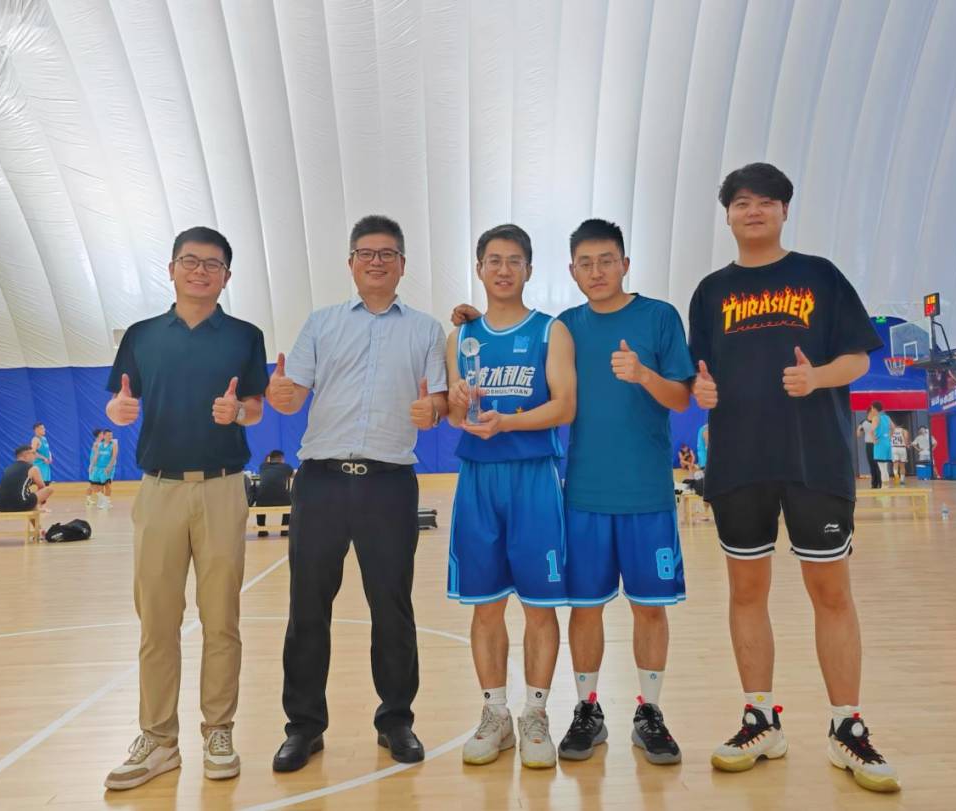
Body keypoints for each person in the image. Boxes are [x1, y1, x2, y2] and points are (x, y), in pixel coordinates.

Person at [451, 218, 693, 766]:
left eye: (606, 261)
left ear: (625, 264)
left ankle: (650, 712)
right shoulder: (565, 326)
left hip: (647, 490)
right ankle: (587, 709)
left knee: (649, 609)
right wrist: (469, 320)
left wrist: (644, 375)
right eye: (585, 263)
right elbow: (500, 334)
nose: (596, 271)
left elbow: (681, 399)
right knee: (585, 609)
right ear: (570, 271)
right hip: (581, 492)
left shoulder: (658, 316)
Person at [688, 163, 899, 792]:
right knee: (746, 590)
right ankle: (761, 721)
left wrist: (818, 378)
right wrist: (699, 389)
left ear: (784, 210)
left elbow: (858, 357)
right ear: (727, 215)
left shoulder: (820, 276)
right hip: (739, 460)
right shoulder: (710, 292)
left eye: (766, 201)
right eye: (741, 202)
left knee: (831, 592)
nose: (753, 211)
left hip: (815, 458)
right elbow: (699, 372)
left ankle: (847, 728)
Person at [267, 215, 448, 773]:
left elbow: (439, 401)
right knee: (307, 607)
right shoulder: (320, 323)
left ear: (402, 264)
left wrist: (432, 409)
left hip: (389, 482)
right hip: (320, 480)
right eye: (366, 253)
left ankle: (396, 720)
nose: (376, 262)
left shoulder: (426, 330)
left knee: (392, 606)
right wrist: (281, 394)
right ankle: (304, 727)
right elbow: (292, 395)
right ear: (350, 262)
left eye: (387, 253)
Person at [102, 226, 268, 791]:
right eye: (190, 261)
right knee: (157, 620)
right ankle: (158, 739)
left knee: (221, 618)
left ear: (227, 276)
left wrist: (237, 413)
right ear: (171, 269)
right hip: (159, 489)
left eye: (212, 264)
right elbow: (120, 397)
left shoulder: (245, 336)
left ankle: (218, 731)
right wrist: (118, 410)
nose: (201, 271)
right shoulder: (142, 335)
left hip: (223, 488)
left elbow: (255, 407)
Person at [443, 224, 575, 769]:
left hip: (534, 477)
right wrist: (458, 402)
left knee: (540, 607)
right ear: (479, 268)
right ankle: (495, 714)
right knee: (486, 605)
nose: (503, 269)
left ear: (528, 269)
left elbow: (565, 406)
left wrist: (509, 423)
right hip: (479, 479)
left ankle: (535, 714)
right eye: (493, 260)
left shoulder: (550, 331)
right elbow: (457, 416)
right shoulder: (460, 338)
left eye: (513, 260)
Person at [0, 446, 54, 513]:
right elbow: (42, 487)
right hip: (20, 504)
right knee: (48, 489)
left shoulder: (7, 469)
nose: (35, 456)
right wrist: (42, 500)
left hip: (1, 506)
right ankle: (36, 515)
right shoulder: (33, 468)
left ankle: (34, 514)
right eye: (33, 453)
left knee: (28, 494)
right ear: (26, 455)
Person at [253, 450, 294, 537]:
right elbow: (293, 475)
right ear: (281, 459)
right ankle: (284, 529)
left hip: (262, 501)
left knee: (260, 496)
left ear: (270, 459)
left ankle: (261, 530)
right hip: (282, 499)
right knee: (291, 498)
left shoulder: (263, 466)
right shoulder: (286, 467)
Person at [89, 429, 118, 509]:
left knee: (106, 485)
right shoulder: (99, 445)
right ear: (104, 435)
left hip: (107, 467)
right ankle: (102, 499)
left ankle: (106, 502)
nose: (110, 437)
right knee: (94, 485)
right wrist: (92, 466)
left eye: (111, 435)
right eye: (108, 435)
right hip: (98, 467)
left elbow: (114, 457)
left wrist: (110, 466)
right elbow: (96, 456)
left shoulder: (114, 445)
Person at [857, 409, 880, 488]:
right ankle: (874, 484)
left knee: (879, 464)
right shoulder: (863, 422)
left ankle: (881, 483)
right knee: (872, 464)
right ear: (870, 413)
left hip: (878, 445)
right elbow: (858, 434)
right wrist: (859, 429)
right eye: (874, 412)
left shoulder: (878, 421)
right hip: (869, 445)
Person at [872, 402, 893, 488]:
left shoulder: (876, 418)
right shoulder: (887, 417)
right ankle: (885, 487)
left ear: (875, 408)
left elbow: (871, 430)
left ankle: (885, 488)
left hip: (880, 443)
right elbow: (893, 428)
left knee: (882, 467)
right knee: (884, 466)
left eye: (872, 408)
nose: (871, 410)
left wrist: (874, 440)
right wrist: (889, 437)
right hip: (887, 442)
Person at [85, 430, 103, 506]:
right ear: (99, 434)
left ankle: (90, 499)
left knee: (96, 484)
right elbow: (96, 455)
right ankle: (100, 498)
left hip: (97, 466)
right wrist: (92, 466)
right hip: (94, 466)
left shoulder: (101, 444)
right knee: (92, 484)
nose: (103, 434)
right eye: (102, 433)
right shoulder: (96, 444)